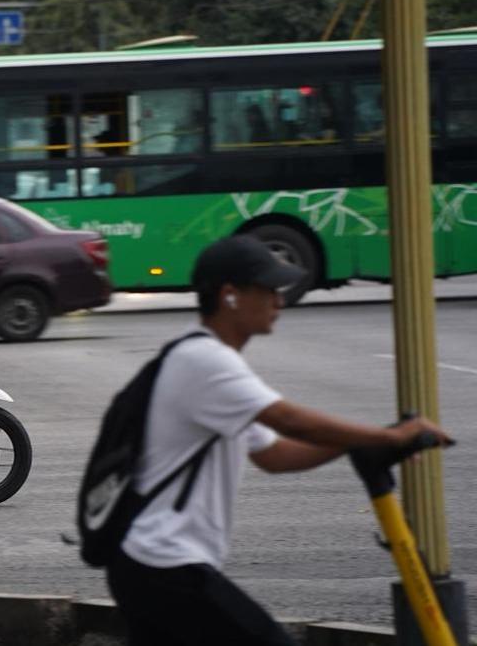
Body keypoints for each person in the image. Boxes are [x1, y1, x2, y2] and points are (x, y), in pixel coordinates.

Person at [105, 234, 453, 646]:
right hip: (162, 565)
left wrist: (358, 443)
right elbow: (290, 421)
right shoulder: (205, 360)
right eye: (268, 289)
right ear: (230, 295)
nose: (279, 301)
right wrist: (389, 435)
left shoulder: (206, 357)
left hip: (146, 566)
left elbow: (274, 454)